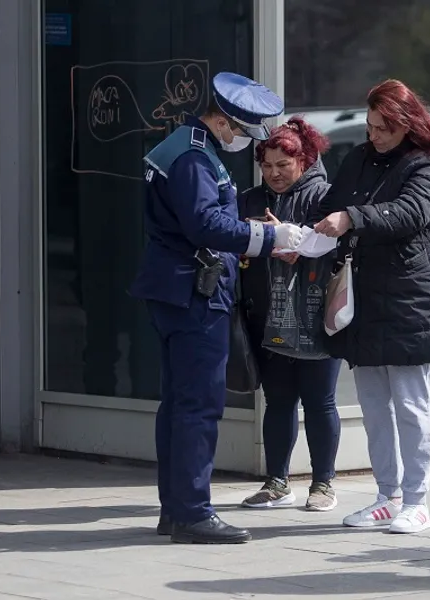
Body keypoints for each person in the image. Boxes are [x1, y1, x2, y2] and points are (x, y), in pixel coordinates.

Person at [130, 72, 303, 544]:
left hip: (179, 289)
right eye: (244, 132)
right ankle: (191, 512)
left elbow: (207, 219)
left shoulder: (189, 147)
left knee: (180, 404)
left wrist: (249, 229)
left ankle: (176, 509)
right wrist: (272, 236)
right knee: (198, 406)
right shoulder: (192, 156)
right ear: (225, 121)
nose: (245, 141)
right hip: (193, 292)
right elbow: (205, 225)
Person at [312, 79, 430, 533]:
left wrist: (351, 218)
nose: (374, 135)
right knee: (374, 405)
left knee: (411, 404)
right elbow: (332, 205)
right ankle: (387, 494)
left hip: (411, 297)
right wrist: (304, 234)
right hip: (364, 295)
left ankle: (417, 500)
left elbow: (411, 212)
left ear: (406, 123)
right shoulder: (358, 159)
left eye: (383, 128)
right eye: (371, 126)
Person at [237, 117, 342, 512]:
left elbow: (339, 246)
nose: (274, 174)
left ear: (304, 160)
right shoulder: (249, 199)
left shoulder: (326, 197)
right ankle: (276, 481)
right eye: (267, 166)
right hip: (266, 313)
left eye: (284, 165)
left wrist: (294, 237)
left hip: (316, 315)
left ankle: (323, 483)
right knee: (278, 399)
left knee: (319, 401)